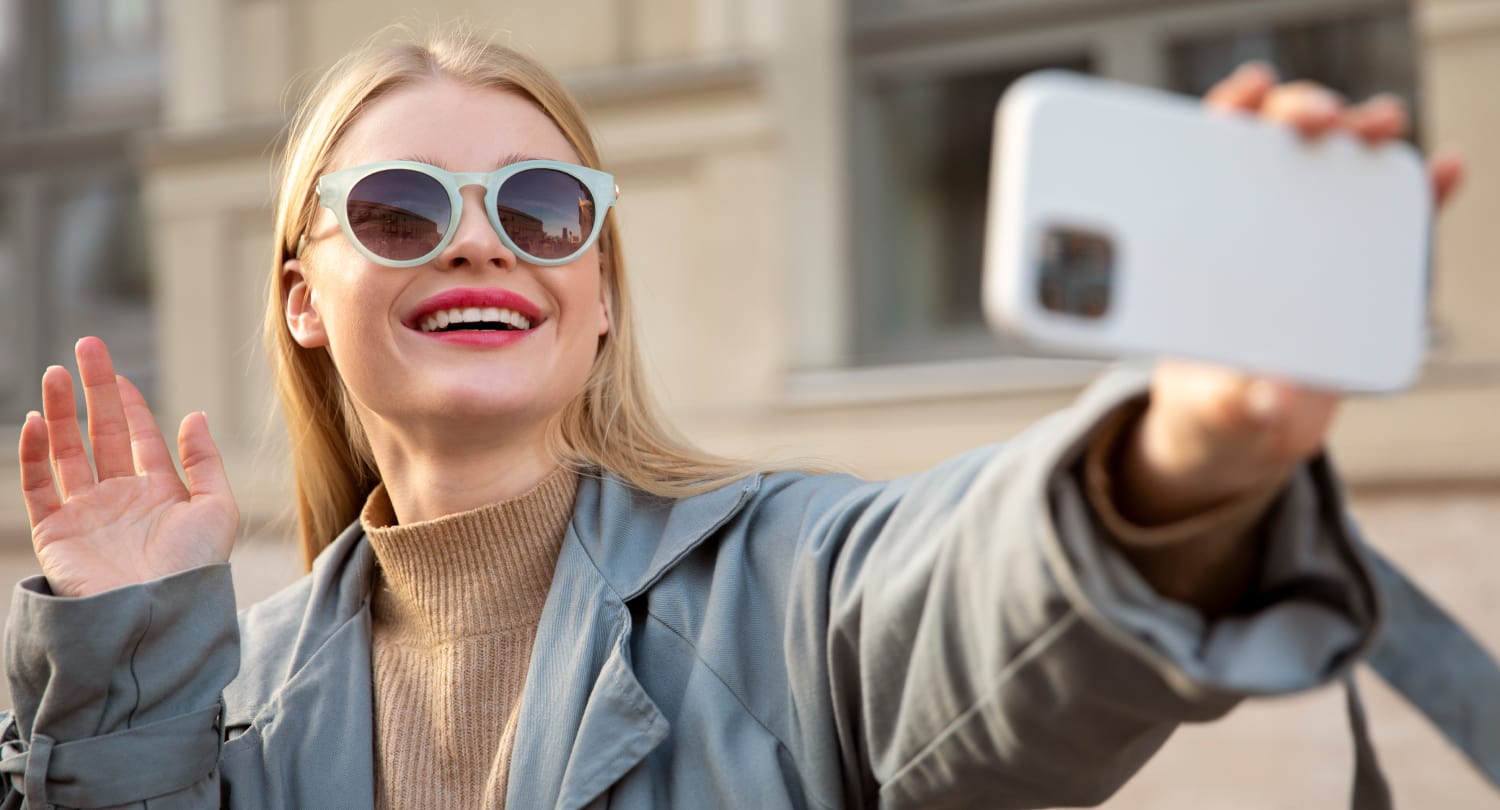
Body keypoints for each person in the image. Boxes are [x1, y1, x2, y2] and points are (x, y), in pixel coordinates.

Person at [4, 26, 1464, 810]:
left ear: (599, 295)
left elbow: (963, 598)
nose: (477, 243)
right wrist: (124, 682)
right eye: (396, 209)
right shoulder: (226, 700)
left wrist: (1185, 444)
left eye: (541, 205)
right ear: (304, 297)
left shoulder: (786, 583)